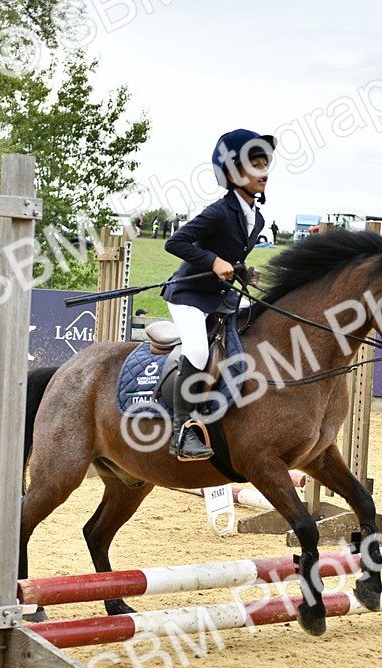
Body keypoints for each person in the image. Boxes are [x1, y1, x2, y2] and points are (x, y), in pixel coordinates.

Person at [162, 128, 274, 460]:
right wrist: (213, 261)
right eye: (255, 165)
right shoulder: (218, 211)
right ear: (234, 173)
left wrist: (243, 270)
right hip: (189, 296)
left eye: (264, 165)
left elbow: (231, 254)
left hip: (223, 298)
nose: (263, 172)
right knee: (197, 351)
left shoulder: (257, 217)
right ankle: (181, 433)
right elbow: (176, 242)